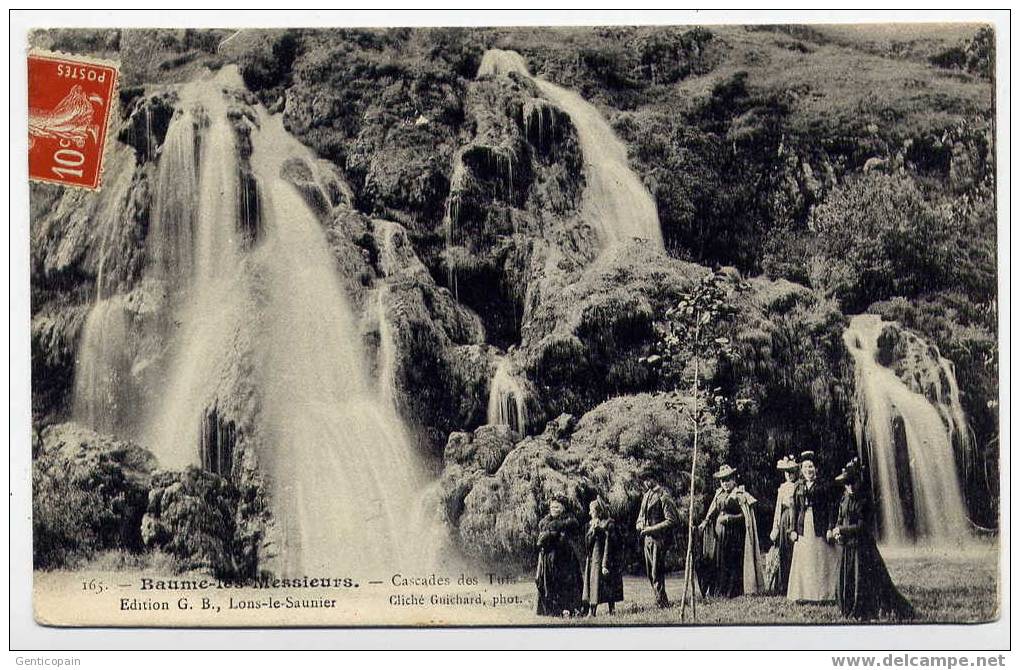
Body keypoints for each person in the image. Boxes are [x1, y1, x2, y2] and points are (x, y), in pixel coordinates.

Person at [832, 459, 915, 620]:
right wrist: (837, 531)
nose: (849, 487)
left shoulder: (864, 501)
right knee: (846, 578)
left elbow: (862, 527)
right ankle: (848, 607)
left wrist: (841, 530)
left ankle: (867, 609)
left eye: (851, 483)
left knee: (867, 580)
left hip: (863, 548)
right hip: (848, 546)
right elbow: (840, 518)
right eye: (846, 484)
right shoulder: (844, 498)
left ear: (857, 481)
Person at [698, 464, 765, 598]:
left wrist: (730, 518)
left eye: (728, 479)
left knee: (732, 561)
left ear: (734, 479)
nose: (725, 483)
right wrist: (705, 521)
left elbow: (745, 516)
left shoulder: (740, 494)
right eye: (723, 480)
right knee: (720, 561)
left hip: (735, 534)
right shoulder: (719, 494)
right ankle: (720, 590)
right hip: (719, 533)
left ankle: (733, 591)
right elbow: (712, 511)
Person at [787, 451, 839, 603]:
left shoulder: (823, 485)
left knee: (821, 558)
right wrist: (792, 530)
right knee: (805, 558)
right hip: (803, 526)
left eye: (811, 466)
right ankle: (804, 594)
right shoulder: (798, 486)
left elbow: (831, 507)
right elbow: (794, 509)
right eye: (806, 467)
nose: (809, 470)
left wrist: (830, 527)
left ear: (815, 468)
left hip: (819, 525)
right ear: (801, 469)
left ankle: (825, 594)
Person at [535, 496, 584, 616]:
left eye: (556, 507)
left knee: (566, 583)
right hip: (548, 558)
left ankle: (568, 608)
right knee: (546, 581)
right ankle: (550, 609)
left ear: (563, 508)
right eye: (551, 507)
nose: (553, 509)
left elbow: (572, 536)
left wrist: (554, 533)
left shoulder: (569, 521)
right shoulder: (545, 522)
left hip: (565, 558)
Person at [635, 476, 679, 608]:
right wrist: (639, 524)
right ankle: (659, 599)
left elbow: (671, 520)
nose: (645, 482)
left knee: (656, 572)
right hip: (647, 539)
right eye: (643, 480)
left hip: (659, 539)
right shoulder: (646, 495)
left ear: (654, 478)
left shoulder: (663, 496)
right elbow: (640, 517)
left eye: (647, 479)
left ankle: (662, 603)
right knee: (650, 573)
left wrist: (651, 529)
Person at [582, 497, 624, 616]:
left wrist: (605, 563)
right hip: (593, 558)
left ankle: (612, 609)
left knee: (608, 583)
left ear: (599, 511)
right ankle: (592, 610)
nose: (590, 513)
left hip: (606, 557)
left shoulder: (609, 523)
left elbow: (611, 542)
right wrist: (593, 531)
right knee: (594, 583)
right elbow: (587, 544)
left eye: (592, 510)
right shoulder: (590, 525)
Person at [767, 455, 800, 595]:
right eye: (787, 472)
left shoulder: (800, 485)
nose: (790, 475)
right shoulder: (783, 488)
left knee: (795, 551)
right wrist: (775, 526)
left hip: (797, 518)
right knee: (784, 551)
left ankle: (796, 584)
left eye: (792, 471)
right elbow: (778, 509)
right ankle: (783, 585)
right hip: (785, 518)